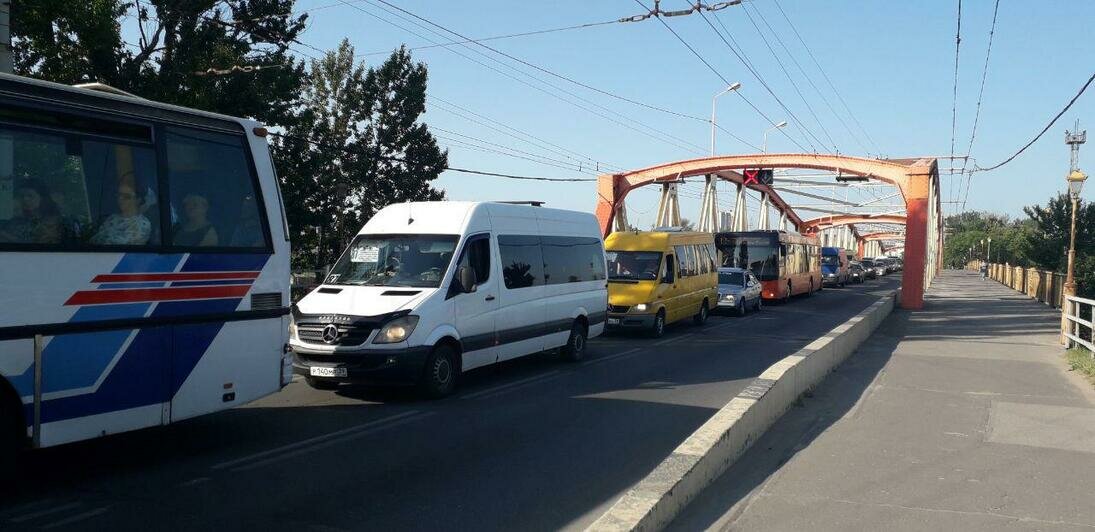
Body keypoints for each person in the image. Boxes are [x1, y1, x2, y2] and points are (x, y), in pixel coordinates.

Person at [0, 179, 63, 244]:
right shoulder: (14, 222)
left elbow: (39, 244)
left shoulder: (53, 222)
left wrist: (4, 234)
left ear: (42, 198)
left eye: (30, 196)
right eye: (21, 196)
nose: (25, 199)